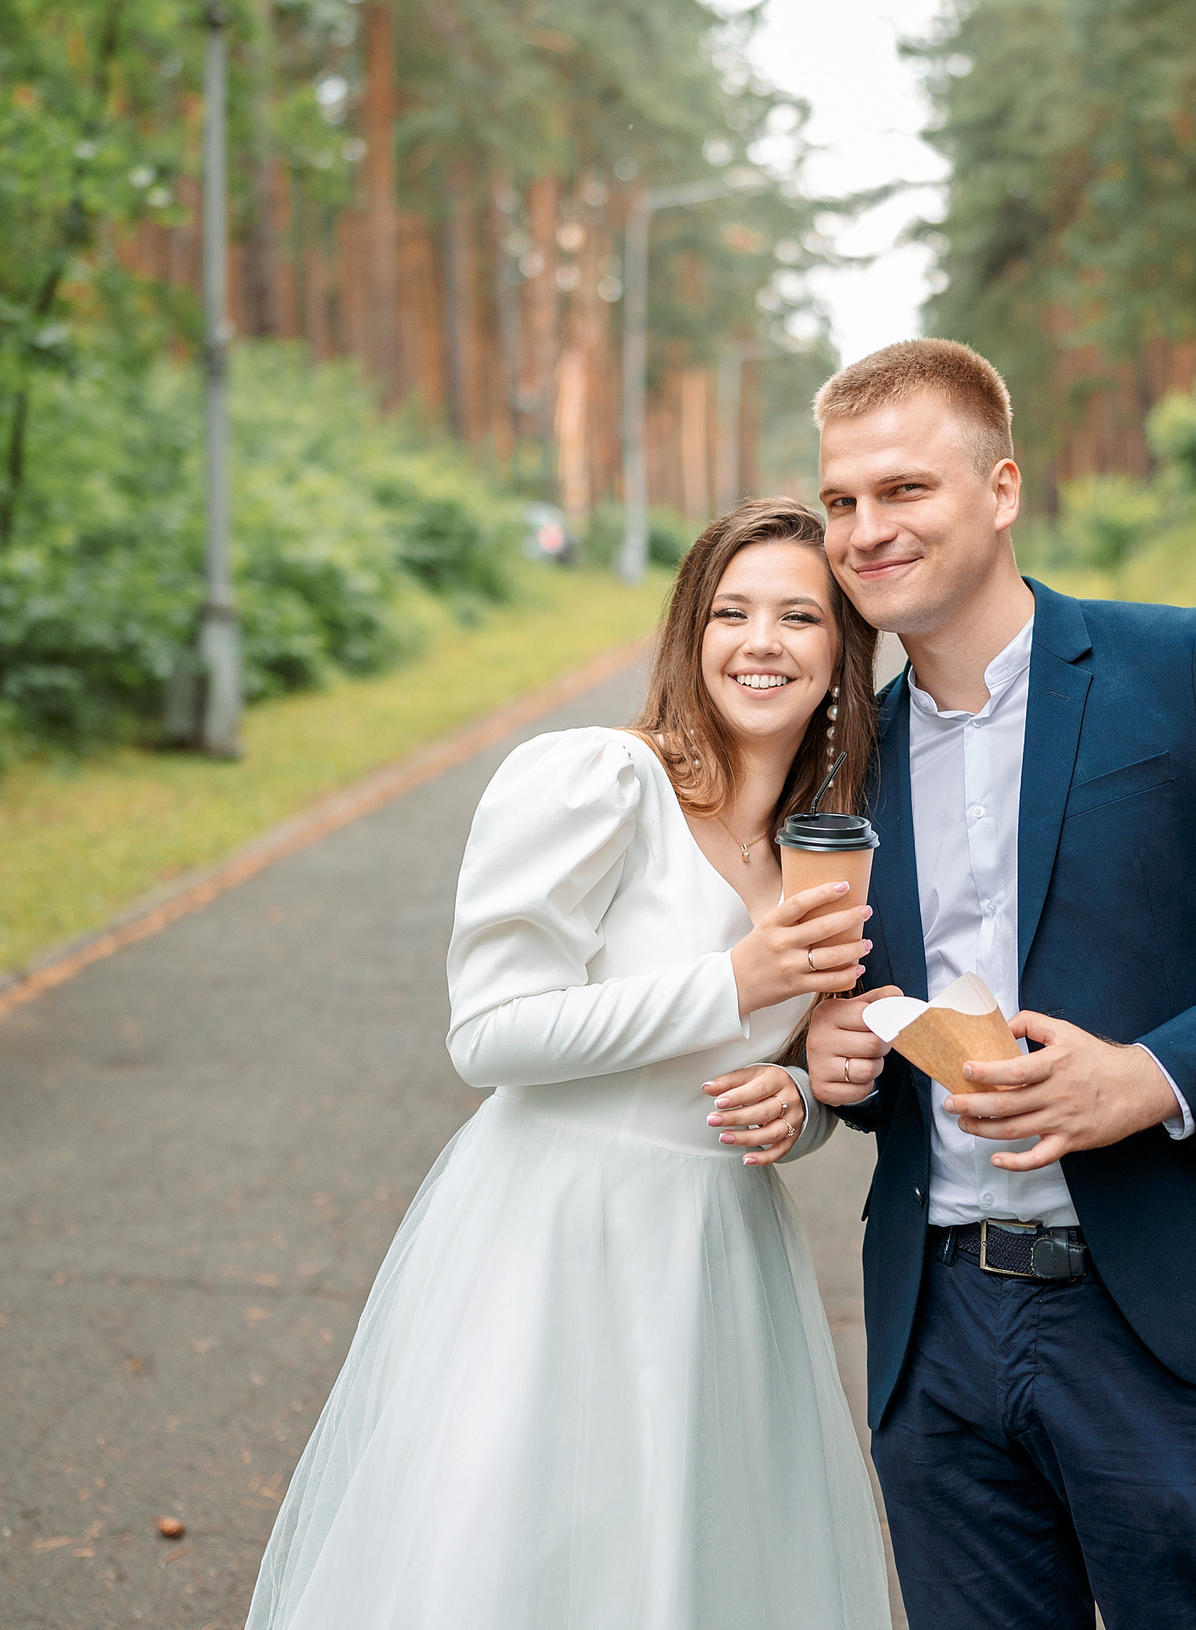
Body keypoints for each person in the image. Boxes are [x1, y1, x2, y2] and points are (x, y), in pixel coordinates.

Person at [804, 340, 1196, 1630]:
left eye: (904, 489)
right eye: (842, 502)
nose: (866, 530)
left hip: (1167, 1324)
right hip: (937, 1329)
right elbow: (865, 1024)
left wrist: (1148, 1077)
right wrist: (842, 1063)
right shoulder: (842, 760)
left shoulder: (1187, 671)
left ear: (1003, 488)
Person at [243, 497, 895, 1630]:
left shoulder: (827, 838)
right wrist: (736, 979)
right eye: (730, 611)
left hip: (720, 1256)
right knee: (528, 1562)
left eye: (800, 617)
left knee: (692, 1570)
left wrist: (799, 1098)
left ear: (843, 652)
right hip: (557, 1238)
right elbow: (489, 1035)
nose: (761, 642)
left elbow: (796, 1062)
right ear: (691, 635)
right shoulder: (597, 781)